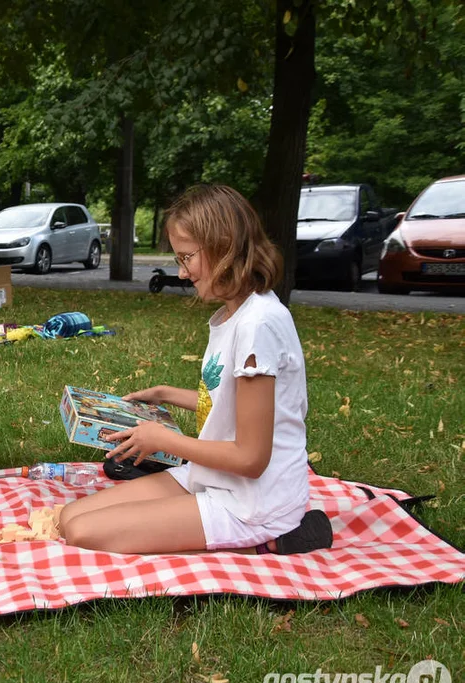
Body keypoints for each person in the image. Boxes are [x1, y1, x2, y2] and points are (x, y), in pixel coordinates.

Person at [60, 185, 332, 556]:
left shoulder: (258, 325)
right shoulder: (235, 314)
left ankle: (273, 541)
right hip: (214, 477)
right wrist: (165, 394)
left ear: (224, 246)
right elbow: (232, 406)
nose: (182, 273)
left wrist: (163, 440)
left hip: (252, 501)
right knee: (69, 517)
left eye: (187, 258)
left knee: (83, 533)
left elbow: (251, 459)